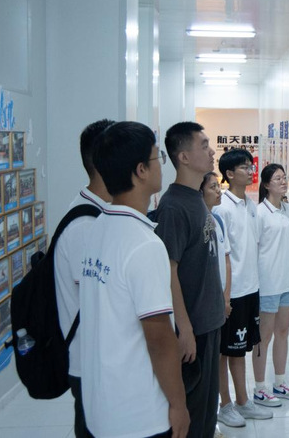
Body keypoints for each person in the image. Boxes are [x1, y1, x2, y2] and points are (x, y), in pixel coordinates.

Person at [81, 121, 188, 438]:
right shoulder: (144, 244)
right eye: (158, 158)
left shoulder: (98, 227)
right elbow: (159, 338)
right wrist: (179, 404)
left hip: (102, 407)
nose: (161, 165)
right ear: (141, 170)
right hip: (140, 415)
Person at [154, 122, 226, 438]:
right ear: (183, 157)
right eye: (204, 145)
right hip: (194, 329)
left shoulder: (196, 198)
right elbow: (168, 270)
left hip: (210, 323)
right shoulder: (172, 206)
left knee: (207, 412)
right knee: (193, 417)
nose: (212, 152)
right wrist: (184, 329)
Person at [55, 118, 114, 438]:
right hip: (92, 364)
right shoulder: (84, 226)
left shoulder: (102, 213)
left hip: (105, 362)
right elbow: (98, 304)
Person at [215, 149, 272, 427]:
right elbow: (222, 257)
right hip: (232, 292)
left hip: (250, 288)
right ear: (229, 174)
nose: (251, 171)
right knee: (224, 352)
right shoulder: (221, 208)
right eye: (244, 167)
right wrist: (225, 296)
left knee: (240, 350)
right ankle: (224, 405)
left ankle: (242, 401)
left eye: (251, 166)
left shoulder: (250, 205)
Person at [251, 164, 289, 407]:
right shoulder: (260, 213)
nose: (284, 182)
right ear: (266, 184)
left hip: (287, 282)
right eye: (278, 178)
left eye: (285, 177)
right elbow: (254, 249)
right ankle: (260, 388)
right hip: (268, 284)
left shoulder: (288, 210)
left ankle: (279, 382)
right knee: (264, 337)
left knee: (283, 333)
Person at [200, 171, 231, 322]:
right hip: (205, 302)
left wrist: (226, 298)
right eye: (213, 187)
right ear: (200, 192)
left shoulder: (218, 220)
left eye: (218, 186)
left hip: (220, 298)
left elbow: (226, 260)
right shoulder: (197, 222)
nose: (219, 191)